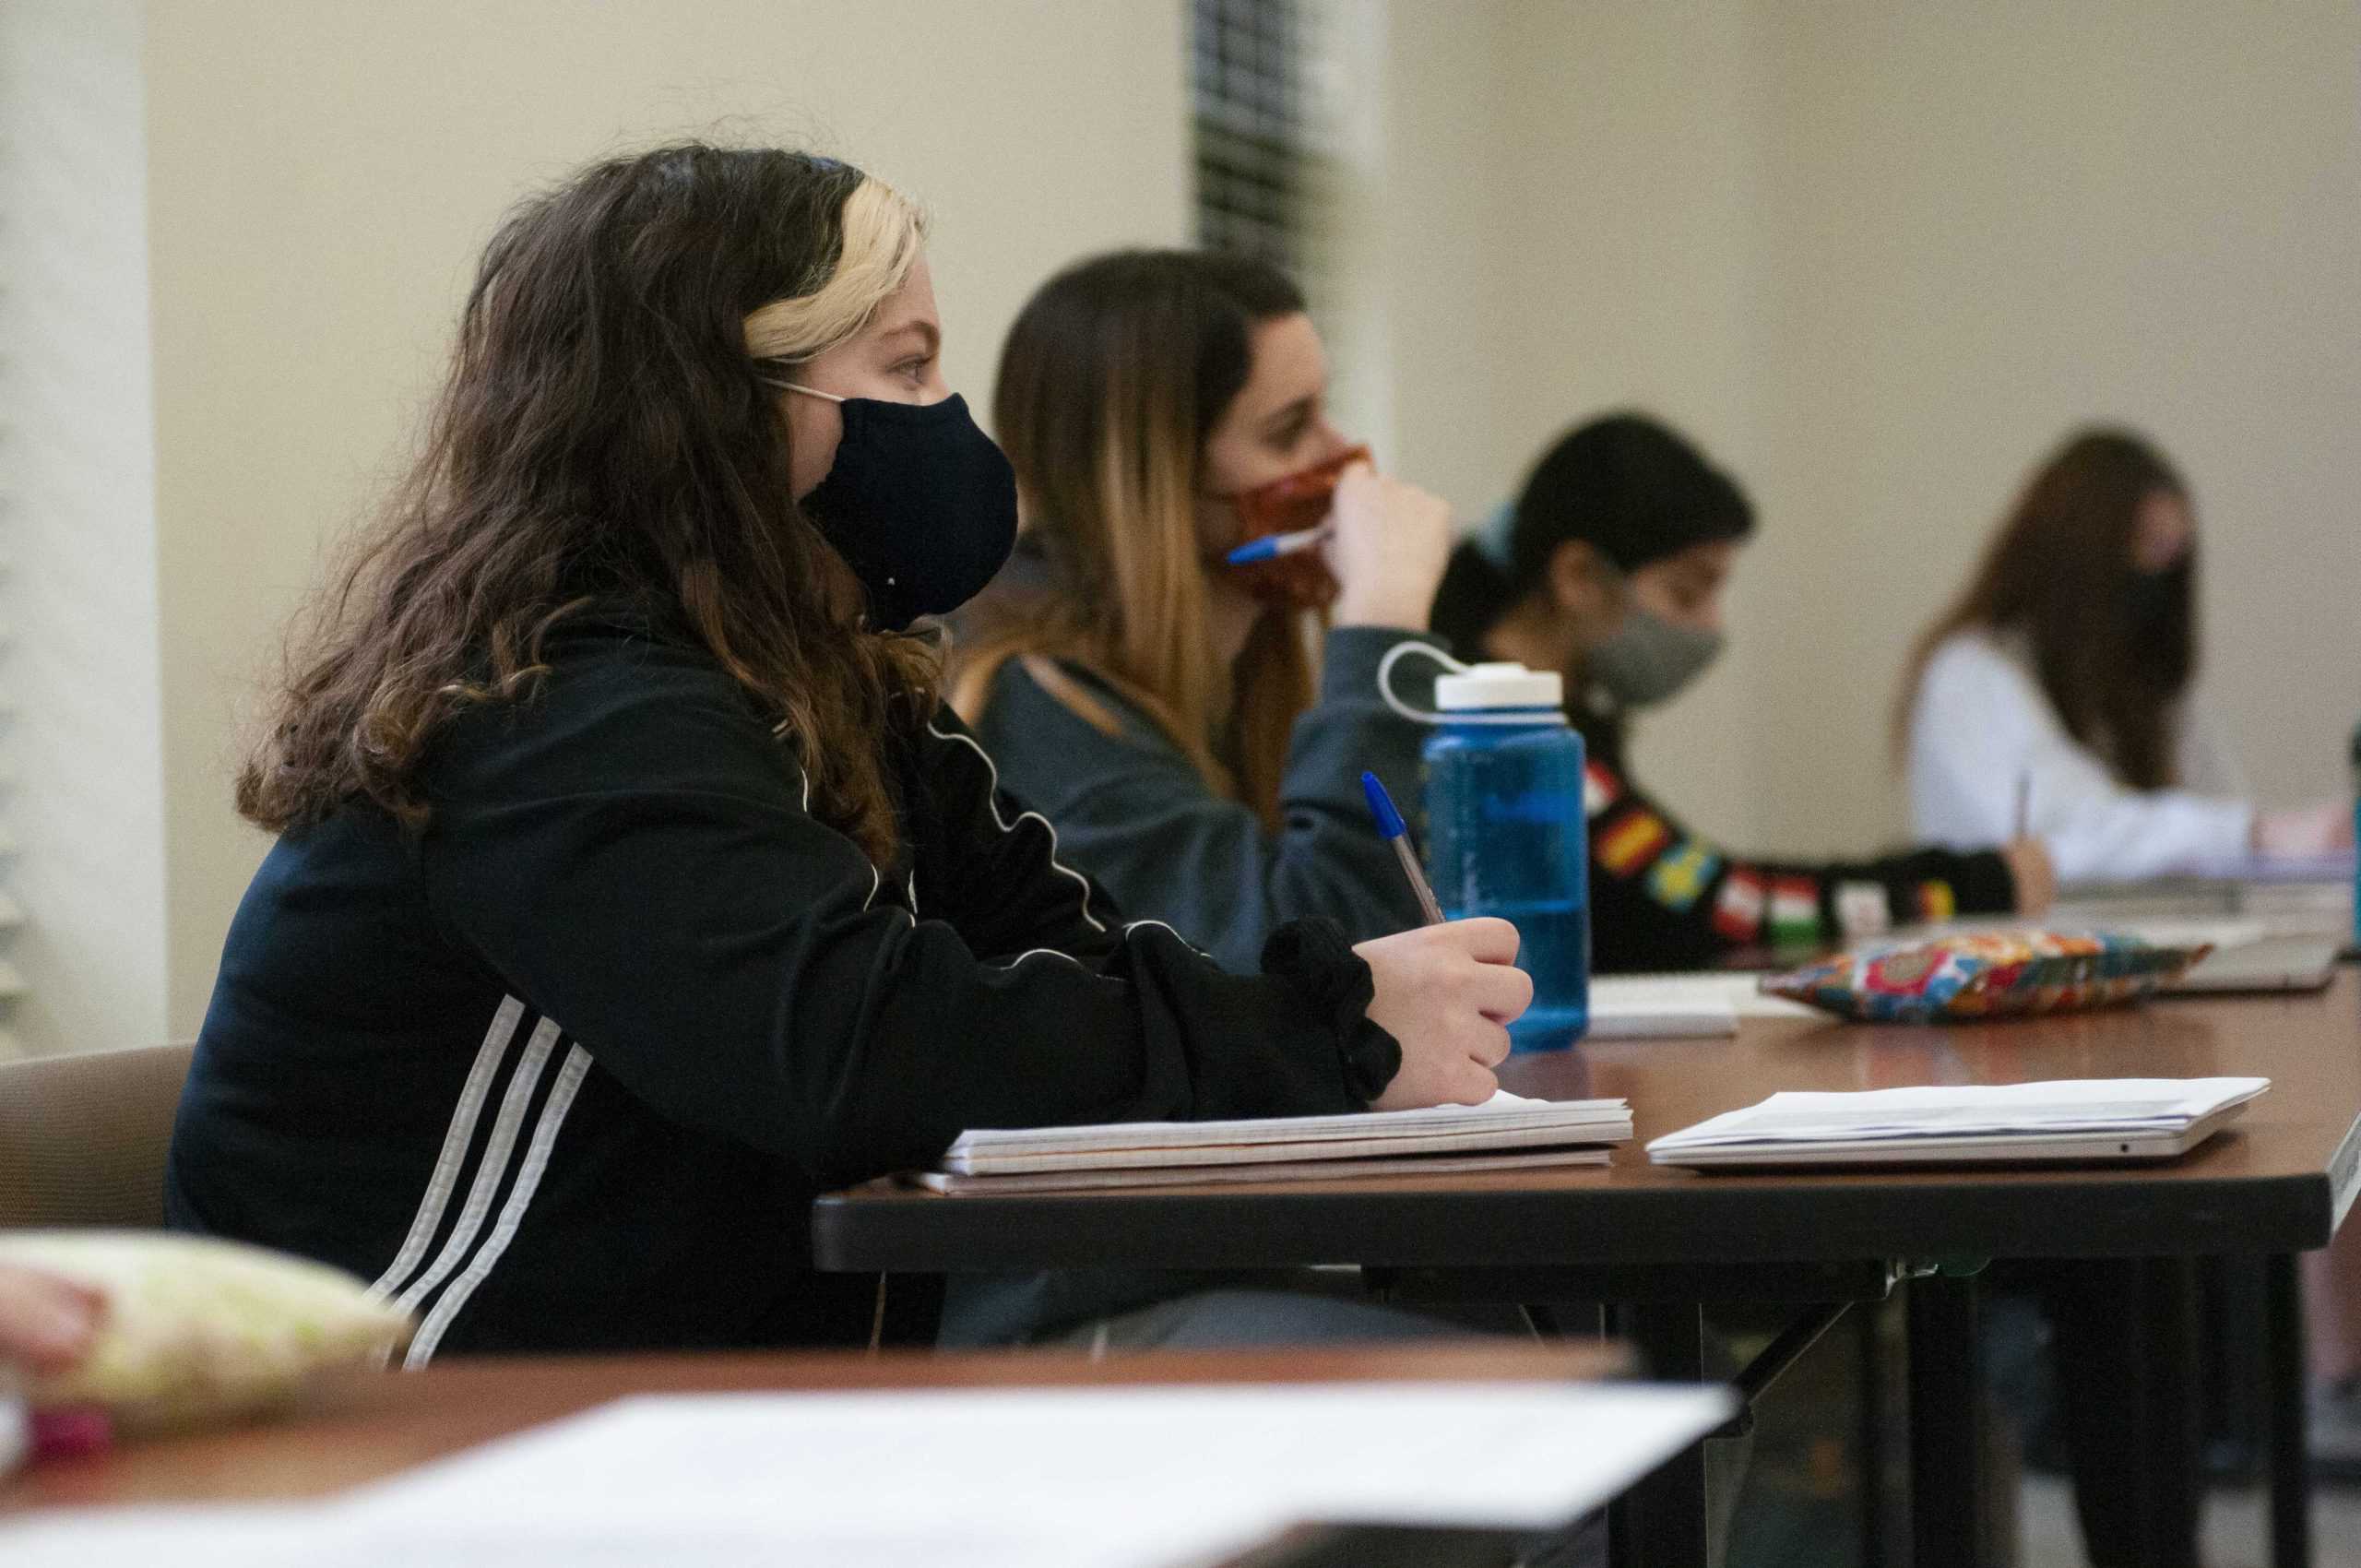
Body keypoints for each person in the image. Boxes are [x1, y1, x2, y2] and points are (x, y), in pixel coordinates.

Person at [163, 145, 1531, 1361]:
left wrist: (1308, 1024)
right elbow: (863, 1049)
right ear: (727, 408)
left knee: (1496, 1370)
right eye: (910, 369)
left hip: (718, 1407)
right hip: (428, 1439)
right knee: (1469, 1407)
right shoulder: (562, 707)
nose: (950, 424)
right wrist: (1325, 1029)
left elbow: (1074, 957)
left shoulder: (832, 687)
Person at [947, 249, 1457, 976]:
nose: (1344, 456)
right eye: (1288, 431)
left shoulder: (1233, 673)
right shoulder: (1033, 702)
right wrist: (1380, 629)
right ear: (1157, 475)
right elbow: (1329, 974)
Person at [1428, 412, 2053, 973]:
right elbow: (1724, 909)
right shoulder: (1506, 741)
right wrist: (1963, 887)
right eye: (1685, 591)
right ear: (1579, 577)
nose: (1710, 627)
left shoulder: (1555, 719)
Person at [1898, 427, 2353, 881]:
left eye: (2171, 561)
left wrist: (2287, 841)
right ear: (2072, 551)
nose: (2151, 584)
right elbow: (2067, 833)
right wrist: (2254, 833)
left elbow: (2215, 827)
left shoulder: (2147, 685)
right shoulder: (1971, 675)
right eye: (2143, 548)